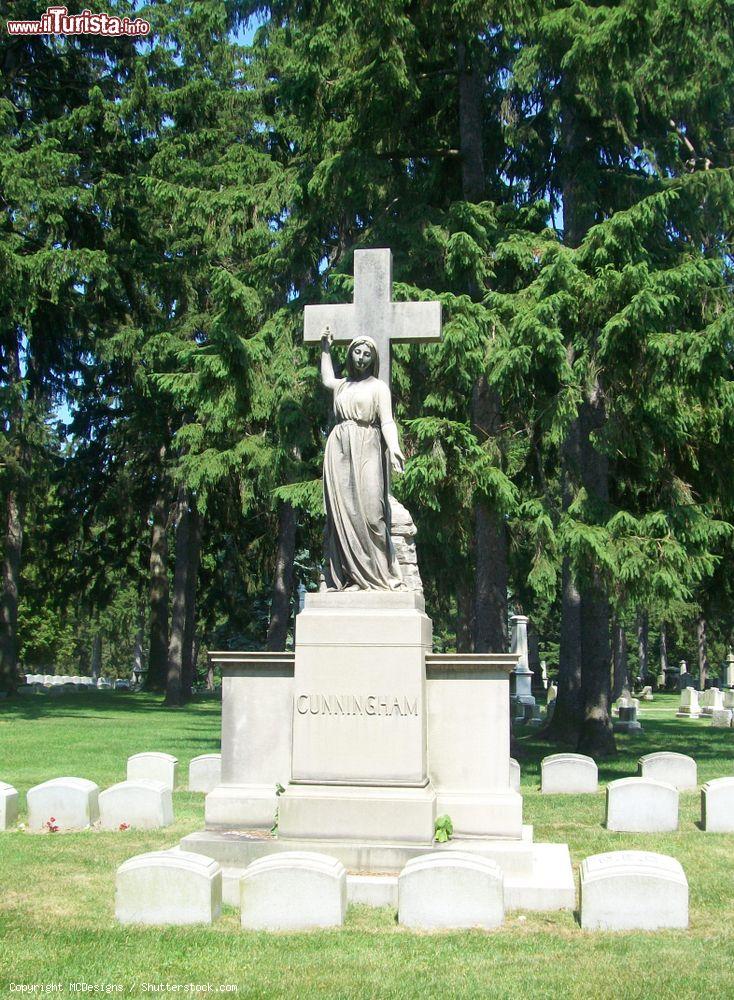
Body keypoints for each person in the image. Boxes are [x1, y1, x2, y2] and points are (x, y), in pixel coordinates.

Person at [320, 328, 406, 591]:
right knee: (343, 515)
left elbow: (388, 420)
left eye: (366, 354)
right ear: (350, 354)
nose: (361, 357)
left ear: (373, 358)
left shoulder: (379, 388)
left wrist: (394, 448)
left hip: (368, 444)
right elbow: (326, 379)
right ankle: (352, 578)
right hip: (340, 449)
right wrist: (325, 349)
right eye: (357, 352)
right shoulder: (342, 385)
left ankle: (379, 576)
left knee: (371, 513)